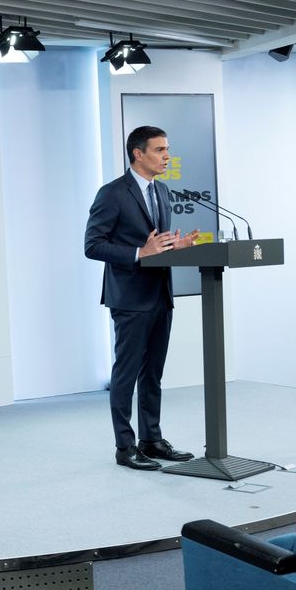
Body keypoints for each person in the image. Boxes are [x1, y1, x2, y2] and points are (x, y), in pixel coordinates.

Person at [85, 126, 200, 470]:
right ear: (138, 153)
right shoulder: (112, 193)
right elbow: (93, 245)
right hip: (130, 298)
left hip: (160, 295)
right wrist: (140, 252)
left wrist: (175, 246)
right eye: (160, 150)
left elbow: (157, 245)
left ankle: (152, 439)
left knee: (153, 374)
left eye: (167, 149)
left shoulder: (162, 191)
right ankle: (125, 446)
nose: (167, 156)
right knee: (126, 374)